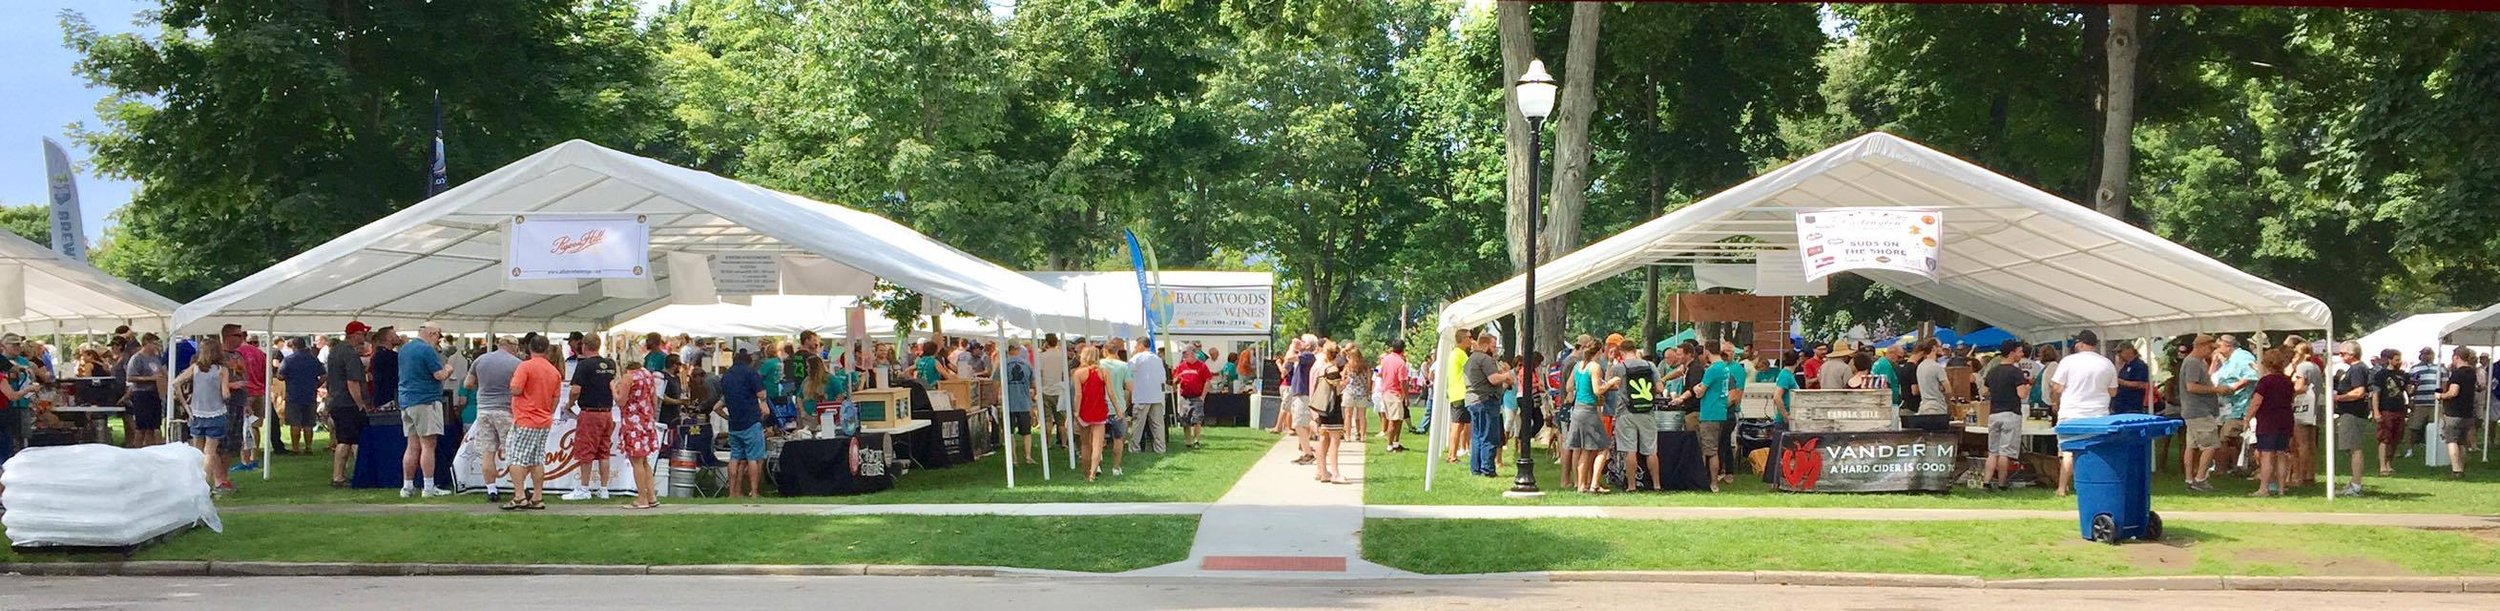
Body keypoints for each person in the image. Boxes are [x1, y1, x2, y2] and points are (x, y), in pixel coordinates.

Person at [2049, 330, 2118, 497]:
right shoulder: (2107, 364)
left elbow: (2057, 387)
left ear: (2080, 343)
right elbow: (2113, 392)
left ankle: (2062, 487)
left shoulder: (2068, 361)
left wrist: (2055, 401)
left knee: (2068, 451)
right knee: (2095, 450)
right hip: (2098, 415)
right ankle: (2096, 485)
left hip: (2071, 412)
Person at [501, 334, 561, 511]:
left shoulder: (525, 366)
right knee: (536, 459)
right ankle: (537, 496)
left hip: (525, 418)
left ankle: (519, 496)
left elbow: (516, 389)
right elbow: (555, 398)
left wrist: (512, 384)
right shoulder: (554, 371)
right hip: (543, 419)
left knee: (516, 457)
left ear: (529, 348)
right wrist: (547, 412)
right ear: (547, 349)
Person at [395, 323, 453, 498]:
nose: (439, 340)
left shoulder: (405, 348)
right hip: (426, 401)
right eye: (438, 336)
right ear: (432, 334)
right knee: (428, 445)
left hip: (406, 400)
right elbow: (439, 375)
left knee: (412, 446)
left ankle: (407, 487)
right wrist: (449, 369)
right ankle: (428, 486)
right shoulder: (427, 350)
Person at [173, 347, 240, 493]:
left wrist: (186, 405)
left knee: (197, 450)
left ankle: (195, 482)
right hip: (215, 413)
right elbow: (225, 394)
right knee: (210, 451)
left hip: (196, 414)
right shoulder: (222, 370)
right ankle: (204, 483)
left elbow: (176, 383)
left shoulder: (195, 368)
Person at [561, 334, 620, 500]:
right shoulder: (610, 364)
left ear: (584, 345)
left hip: (590, 412)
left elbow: (575, 390)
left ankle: (584, 488)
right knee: (604, 451)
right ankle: (604, 488)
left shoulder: (584, 365)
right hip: (607, 412)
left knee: (586, 451)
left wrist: (569, 404)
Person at [467, 336, 524, 503]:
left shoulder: (480, 360)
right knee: (512, 453)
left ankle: (491, 489)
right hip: (505, 410)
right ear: (513, 346)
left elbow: (468, 384)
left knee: (487, 452)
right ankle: (519, 490)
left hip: (484, 409)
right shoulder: (516, 363)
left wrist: (484, 385)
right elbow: (519, 387)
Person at [715, 349, 769, 498]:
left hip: (734, 424)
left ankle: (732, 492)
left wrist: (728, 418)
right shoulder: (750, 373)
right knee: (753, 458)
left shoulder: (726, 376)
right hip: (751, 422)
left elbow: (719, 404)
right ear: (749, 361)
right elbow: (761, 394)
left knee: (734, 458)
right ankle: (754, 492)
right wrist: (762, 401)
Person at [2247, 348, 2299, 497]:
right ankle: (2282, 488)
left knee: (2267, 455)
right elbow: (2292, 399)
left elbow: (2256, 402)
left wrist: (2248, 418)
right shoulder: (2287, 381)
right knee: (2282, 454)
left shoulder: (2265, 381)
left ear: (2266, 364)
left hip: (2268, 420)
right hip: (2285, 419)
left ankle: (2264, 488)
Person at [1982, 341, 2031, 491]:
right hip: (2011, 413)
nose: (2022, 354)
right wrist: (2028, 387)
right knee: (2005, 452)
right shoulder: (2016, 372)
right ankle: (2002, 484)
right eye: (2020, 351)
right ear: (2011, 353)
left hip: (1994, 413)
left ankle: (1986, 482)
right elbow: (2021, 394)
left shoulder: (1993, 371)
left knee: (1993, 452)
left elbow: (1984, 391)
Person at [2328, 341, 2374, 496]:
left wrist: (2338, 398)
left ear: (2352, 354)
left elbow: (2359, 392)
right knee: (2352, 448)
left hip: (2354, 414)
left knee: (2355, 448)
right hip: (2351, 413)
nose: (2340, 356)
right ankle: (2354, 482)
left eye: (2342, 353)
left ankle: (2356, 484)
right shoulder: (2356, 369)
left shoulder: (2357, 369)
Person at [2178, 335, 2223, 491]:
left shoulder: (2196, 362)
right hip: (2199, 410)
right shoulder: (2193, 363)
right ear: (2202, 346)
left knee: (2192, 446)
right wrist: (2216, 389)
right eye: (2210, 348)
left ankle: (2189, 480)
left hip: (2192, 410)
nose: (2211, 352)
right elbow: (2191, 387)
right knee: (2210, 445)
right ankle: (2200, 479)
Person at [617, 359, 664, 509]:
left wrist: (613, 388)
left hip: (632, 421)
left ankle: (641, 499)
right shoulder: (647, 374)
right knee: (645, 462)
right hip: (646, 421)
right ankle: (651, 496)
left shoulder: (628, 377)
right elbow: (654, 399)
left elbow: (621, 401)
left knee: (636, 461)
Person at [1617, 342, 1663, 492]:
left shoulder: (1619, 367)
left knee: (1630, 450)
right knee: (1651, 450)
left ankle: (1631, 486)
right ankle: (1657, 485)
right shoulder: (1650, 366)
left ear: (1621, 352)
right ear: (1636, 350)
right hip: (1647, 412)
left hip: (1626, 412)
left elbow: (1608, 385)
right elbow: (1660, 388)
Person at [1461, 332, 1508, 478]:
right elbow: (1493, 379)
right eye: (1493, 346)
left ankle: (1476, 468)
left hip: (1472, 401)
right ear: (1486, 345)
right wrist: (1507, 375)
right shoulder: (1484, 359)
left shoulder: (1470, 359)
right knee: (1489, 436)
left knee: (1477, 436)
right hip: (1485, 401)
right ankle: (1487, 469)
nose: (1494, 350)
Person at [2212, 335, 2259, 477]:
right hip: (2226, 407)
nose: (2217, 349)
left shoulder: (2243, 357)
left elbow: (2251, 376)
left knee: (2225, 438)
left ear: (2228, 345)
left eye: (2218, 346)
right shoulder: (2227, 360)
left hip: (2239, 406)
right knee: (2231, 439)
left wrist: (2233, 388)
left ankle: (2224, 470)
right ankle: (2236, 468)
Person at [2283, 336, 2324, 487]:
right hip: (2314, 407)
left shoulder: (2302, 367)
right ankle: (2309, 475)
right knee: (2311, 443)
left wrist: (2288, 389)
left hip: (2302, 407)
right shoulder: (2315, 366)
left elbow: (2300, 387)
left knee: (2300, 443)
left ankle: (2299, 476)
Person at [2435, 346, 2478, 480]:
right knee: (2462, 442)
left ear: (2456, 357)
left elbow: (2454, 392)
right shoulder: (2472, 373)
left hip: (2454, 413)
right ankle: (2461, 467)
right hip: (2468, 412)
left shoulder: (2457, 374)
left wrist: (2440, 396)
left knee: (2452, 440)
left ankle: (2456, 469)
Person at [276, 338, 322, 457]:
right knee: (308, 423)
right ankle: (308, 447)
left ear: (294, 347)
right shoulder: (313, 359)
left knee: (294, 423)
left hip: (293, 395)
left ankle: (295, 448)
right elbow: (324, 374)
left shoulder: (288, 360)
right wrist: (317, 384)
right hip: (310, 394)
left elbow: (280, 376)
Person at [1073, 347, 1112, 482]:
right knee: (1097, 444)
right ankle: (1093, 474)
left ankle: (1086, 471)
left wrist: (1076, 411)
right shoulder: (1103, 372)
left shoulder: (1078, 373)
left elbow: (1078, 395)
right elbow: (1111, 393)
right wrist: (1118, 409)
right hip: (1099, 410)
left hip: (1083, 411)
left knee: (1085, 444)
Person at [124, 335, 168, 449]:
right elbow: (130, 377)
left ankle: (153, 448)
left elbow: (161, 371)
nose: (156, 346)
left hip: (155, 393)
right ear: (147, 343)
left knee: (155, 426)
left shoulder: (156, 357)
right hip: (141, 394)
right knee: (141, 426)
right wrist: (149, 378)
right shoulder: (136, 358)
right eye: (154, 343)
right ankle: (137, 448)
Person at [1128, 343, 1168, 454]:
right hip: (1157, 395)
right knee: (1158, 424)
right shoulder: (1158, 359)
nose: (1135, 348)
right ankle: (1160, 448)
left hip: (1142, 396)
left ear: (1141, 345)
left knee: (1138, 424)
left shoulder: (1136, 358)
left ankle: (1134, 448)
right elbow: (1163, 377)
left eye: (1136, 345)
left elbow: (1128, 373)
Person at [1376, 340, 1413, 453]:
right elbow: (1403, 381)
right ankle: (1390, 445)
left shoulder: (1385, 359)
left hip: (1386, 391)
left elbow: (1379, 373)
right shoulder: (1401, 363)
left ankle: (1396, 443)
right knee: (1394, 419)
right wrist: (1406, 396)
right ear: (1403, 349)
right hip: (1394, 393)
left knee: (1399, 418)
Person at [1173, 347, 1213, 450]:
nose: (1185, 357)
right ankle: (1187, 441)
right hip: (1184, 397)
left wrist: (1203, 396)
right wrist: (1176, 380)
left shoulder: (1202, 366)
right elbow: (1174, 380)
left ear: (1193, 355)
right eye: (1184, 356)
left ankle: (1196, 440)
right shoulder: (1181, 367)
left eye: (1186, 355)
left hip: (1197, 396)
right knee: (1185, 420)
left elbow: (1207, 381)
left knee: (1197, 420)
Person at [2406, 347, 2442, 459]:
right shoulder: (2415, 369)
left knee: (2434, 426)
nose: (2426, 356)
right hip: (2419, 402)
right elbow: (2409, 385)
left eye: (2429, 354)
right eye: (2424, 354)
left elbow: (2443, 384)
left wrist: (2440, 397)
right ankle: (2410, 449)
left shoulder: (2440, 368)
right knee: (2414, 427)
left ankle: (2433, 448)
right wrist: (2411, 396)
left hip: (2434, 403)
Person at [1444, 330, 1473, 464]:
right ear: (1463, 339)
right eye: (1469, 337)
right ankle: (1452, 456)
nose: (1471, 340)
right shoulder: (1460, 354)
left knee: (1458, 425)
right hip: (1460, 393)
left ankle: (1452, 454)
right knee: (1457, 425)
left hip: (1456, 393)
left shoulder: (1455, 353)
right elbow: (1472, 368)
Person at [2114, 342, 2153, 415]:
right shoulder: (2125, 365)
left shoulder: (2139, 365)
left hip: (2132, 404)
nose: (2119, 355)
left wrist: (2122, 382)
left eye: (2120, 352)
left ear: (2128, 351)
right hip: (2121, 404)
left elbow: (2141, 384)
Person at [1915, 339, 1949, 417]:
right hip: (1936, 407)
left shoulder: (1920, 367)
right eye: (1940, 347)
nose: (1942, 349)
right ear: (1934, 348)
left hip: (1923, 406)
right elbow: (1948, 389)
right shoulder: (1937, 367)